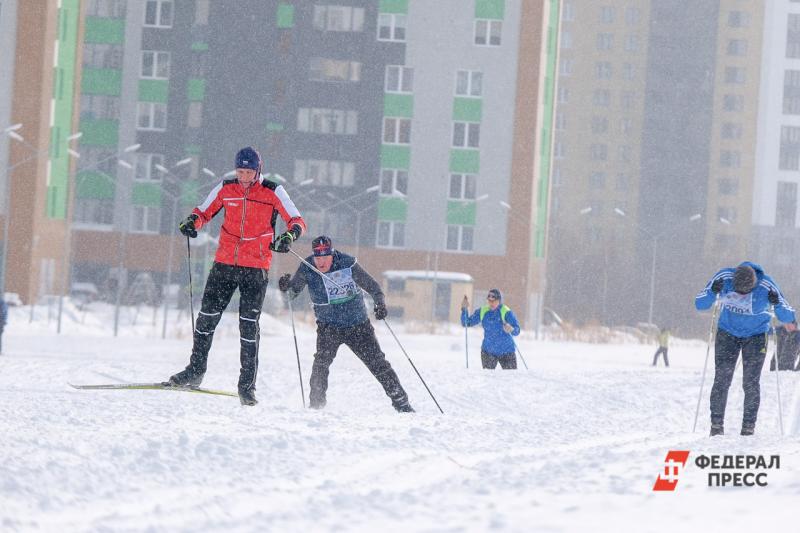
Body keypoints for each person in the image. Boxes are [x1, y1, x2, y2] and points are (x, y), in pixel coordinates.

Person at [167, 146, 306, 406]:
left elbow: (296, 221)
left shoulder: (273, 191)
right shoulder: (226, 187)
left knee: (248, 326)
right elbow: (203, 211)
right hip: (224, 263)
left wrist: (288, 236)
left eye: (248, 172)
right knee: (206, 319)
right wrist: (192, 222)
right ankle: (195, 372)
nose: (243, 177)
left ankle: (247, 387)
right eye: (240, 171)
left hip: (255, 267)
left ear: (258, 170)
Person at [277, 236, 414, 413]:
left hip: (358, 326)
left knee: (378, 364)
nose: (321, 262)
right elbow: (291, 294)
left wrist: (380, 304)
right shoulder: (307, 267)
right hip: (328, 327)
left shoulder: (348, 264)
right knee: (321, 365)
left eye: (325, 257)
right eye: (318, 258)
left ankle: (403, 405)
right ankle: (316, 407)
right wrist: (285, 287)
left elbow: (373, 287)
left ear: (332, 254)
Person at [695, 262, 796, 436]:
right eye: (738, 291)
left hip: (755, 337)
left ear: (754, 284)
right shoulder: (724, 277)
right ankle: (716, 425)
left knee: (750, 382)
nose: (741, 295)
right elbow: (700, 304)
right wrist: (713, 291)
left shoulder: (767, 285)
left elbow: (788, 316)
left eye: (745, 292)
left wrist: (777, 303)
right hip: (728, 333)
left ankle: (748, 427)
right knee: (722, 379)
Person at [461, 289, 521, 369]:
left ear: (499, 300)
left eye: (494, 301)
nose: (491, 303)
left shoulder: (506, 312)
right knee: (488, 380)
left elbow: (517, 330)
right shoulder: (483, 311)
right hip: (488, 352)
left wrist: (511, 329)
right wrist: (464, 309)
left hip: (507, 352)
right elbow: (466, 323)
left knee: (510, 378)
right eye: (489, 301)